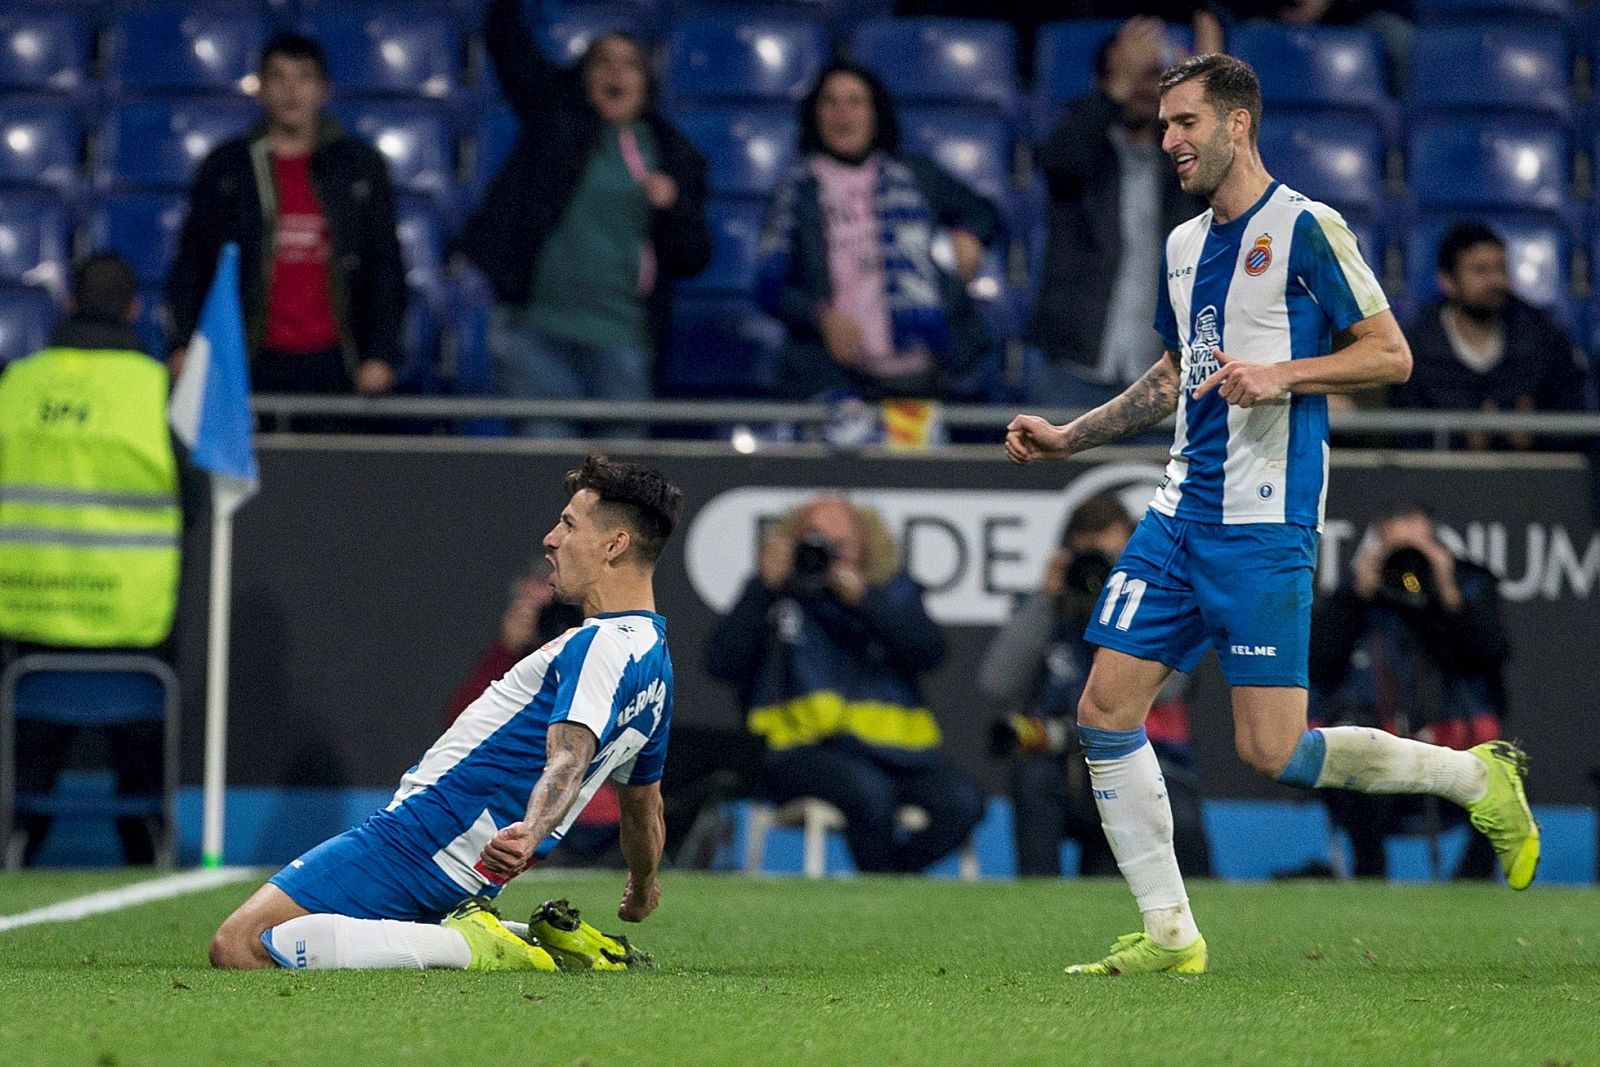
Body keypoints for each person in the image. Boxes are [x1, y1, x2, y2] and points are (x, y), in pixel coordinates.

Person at [1004, 54, 1538, 976]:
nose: (1169, 139)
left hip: (1266, 524)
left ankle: (1476, 775)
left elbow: (1391, 354)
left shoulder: (1306, 227)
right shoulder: (1181, 245)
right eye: (1164, 124)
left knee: (1272, 748)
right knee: (1103, 708)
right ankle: (1170, 935)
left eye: (1185, 123)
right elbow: (1177, 373)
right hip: (1179, 513)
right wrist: (1073, 437)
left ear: (1237, 124)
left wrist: (1284, 374)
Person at [208, 455, 683, 971]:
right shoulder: (655, 667)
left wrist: (532, 830)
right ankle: (547, 942)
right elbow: (644, 809)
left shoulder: (598, 644)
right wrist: (641, 885)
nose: (550, 539)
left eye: (569, 525)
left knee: (241, 945)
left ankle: (476, 945)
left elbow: (569, 755)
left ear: (615, 546)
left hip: (421, 838)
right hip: (472, 866)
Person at [0, 254, 184, 865]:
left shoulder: (17, 384)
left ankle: (16, 853)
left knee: (22, 789)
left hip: (26, 616)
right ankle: (146, 860)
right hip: (132, 621)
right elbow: (198, 508)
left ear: (68, 305)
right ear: (135, 310)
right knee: (142, 784)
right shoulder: (158, 391)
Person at [457, 0, 711, 437]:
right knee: (545, 478)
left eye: (629, 64)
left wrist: (673, 208)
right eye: (602, 62)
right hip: (535, 336)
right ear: (584, 76)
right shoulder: (554, 118)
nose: (615, 72)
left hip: (622, 342)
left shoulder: (675, 156)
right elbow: (508, 44)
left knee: (620, 491)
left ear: (646, 81)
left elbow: (693, 256)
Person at [705, 496, 984, 874]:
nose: (828, 555)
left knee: (964, 800)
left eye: (840, 545)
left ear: (865, 547)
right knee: (868, 792)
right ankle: (885, 895)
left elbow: (930, 653)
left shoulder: (889, 591)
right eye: (816, 542)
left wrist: (865, 602)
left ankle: (891, 881)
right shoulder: (774, 596)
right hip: (800, 754)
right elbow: (722, 664)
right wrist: (762, 588)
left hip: (898, 756)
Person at [165, 32, 406, 416]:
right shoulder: (228, 168)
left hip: (336, 361)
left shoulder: (359, 168)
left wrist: (380, 354)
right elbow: (193, 263)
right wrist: (182, 343)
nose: (291, 91)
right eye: (278, 78)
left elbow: (385, 267)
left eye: (304, 77)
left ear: (323, 91)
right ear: (261, 89)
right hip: (250, 358)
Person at [978, 494, 1211, 879]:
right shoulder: (1048, 609)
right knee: (1034, 779)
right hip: (1062, 769)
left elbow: (1170, 688)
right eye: (1089, 558)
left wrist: (1129, 599)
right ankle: (1036, 909)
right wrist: (1046, 600)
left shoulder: (1160, 603)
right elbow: (995, 681)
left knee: (1174, 825)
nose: (1098, 573)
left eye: (1109, 559)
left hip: (1146, 764)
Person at [756, 61, 1006, 402]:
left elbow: (984, 212)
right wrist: (821, 316)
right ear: (814, 115)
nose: (842, 113)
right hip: (834, 378)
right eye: (830, 102)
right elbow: (771, 286)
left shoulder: (917, 175)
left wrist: (970, 235)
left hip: (925, 375)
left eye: (855, 101)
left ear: (876, 113)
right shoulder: (794, 192)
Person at [1310, 501, 1507, 880]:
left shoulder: (1468, 583)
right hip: (1383, 757)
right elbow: (1319, 663)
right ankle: (1371, 880)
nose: (1407, 560)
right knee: (1354, 779)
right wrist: (1356, 594)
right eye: (1394, 545)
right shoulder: (1361, 593)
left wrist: (1449, 592)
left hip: (1455, 747)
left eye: (1415, 544)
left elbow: (1492, 655)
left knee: (1507, 786)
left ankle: (1469, 890)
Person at [1026, 18, 1205, 410]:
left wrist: (1205, 104)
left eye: (1156, 77)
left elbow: (1234, 190)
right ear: (1106, 82)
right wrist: (1115, 92)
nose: (1144, 88)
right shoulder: (1079, 143)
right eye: (1131, 76)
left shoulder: (1183, 162)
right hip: (1074, 373)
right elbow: (1059, 162)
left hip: (1160, 377)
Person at [443, 568, 618, 867]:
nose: (551, 619)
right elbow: (462, 725)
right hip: (509, 806)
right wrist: (507, 649)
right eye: (538, 610)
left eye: (556, 607)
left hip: (591, 813)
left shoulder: (594, 652)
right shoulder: (507, 668)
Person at [1395, 221, 1590, 451]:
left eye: (1501, 269)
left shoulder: (1544, 337)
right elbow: (1403, 436)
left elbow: (1575, 422)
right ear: (1448, 281)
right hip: (1441, 482)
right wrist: (1462, 442)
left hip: (1532, 479)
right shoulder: (1416, 346)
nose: (1496, 281)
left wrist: (1536, 437)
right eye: (1481, 271)